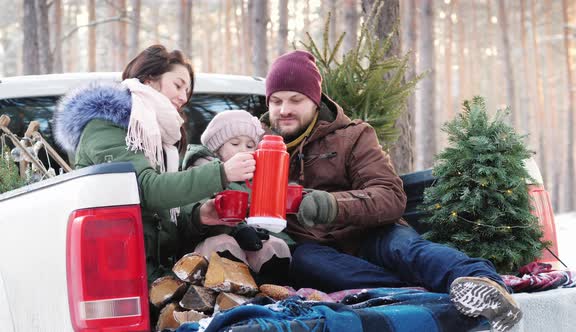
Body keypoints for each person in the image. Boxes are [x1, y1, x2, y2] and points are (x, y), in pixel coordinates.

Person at [262, 50, 522, 332]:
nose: (284, 109)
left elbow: (390, 196)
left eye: (295, 99)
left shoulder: (353, 136)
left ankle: (483, 285)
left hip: (371, 234)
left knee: (406, 248)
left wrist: (332, 205)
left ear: (314, 100)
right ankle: (421, 292)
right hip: (320, 251)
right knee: (306, 262)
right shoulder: (257, 148)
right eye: (276, 101)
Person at [53, 45, 255, 285]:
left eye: (187, 91)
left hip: (158, 271)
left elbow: (162, 221)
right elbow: (147, 190)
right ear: (149, 80)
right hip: (124, 278)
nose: (183, 97)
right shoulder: (108, 126)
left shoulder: (159, 137)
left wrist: (199, 216)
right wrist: (222, 172)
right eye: (178, 85)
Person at [182, 110, 293, 284]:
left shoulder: (257, 178)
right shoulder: (199, 172)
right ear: (217, 150)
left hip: (250, 247)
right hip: (206, 243)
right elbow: (193, 210)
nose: (244, 150)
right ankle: (227, 295)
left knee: (276, 245)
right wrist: (236, 229)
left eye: (250, 146)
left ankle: (269, 294)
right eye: (235, 143)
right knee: (223, 244)